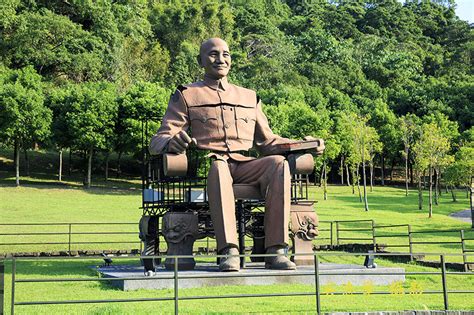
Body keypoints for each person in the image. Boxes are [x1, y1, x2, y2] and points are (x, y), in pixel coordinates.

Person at [149, 38, 324, 271]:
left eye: (226, 54)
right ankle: (229, 250)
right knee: (220, 167)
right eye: (213, 54)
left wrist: (304, 145)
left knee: (279, 164)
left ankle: (276, 251)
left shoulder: (249, 97)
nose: (220, 59)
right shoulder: (187, 94)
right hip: (211, 164)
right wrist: (173, 142)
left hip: (245, 165)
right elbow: (157, 140)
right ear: (200, 60)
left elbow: (268, 141)